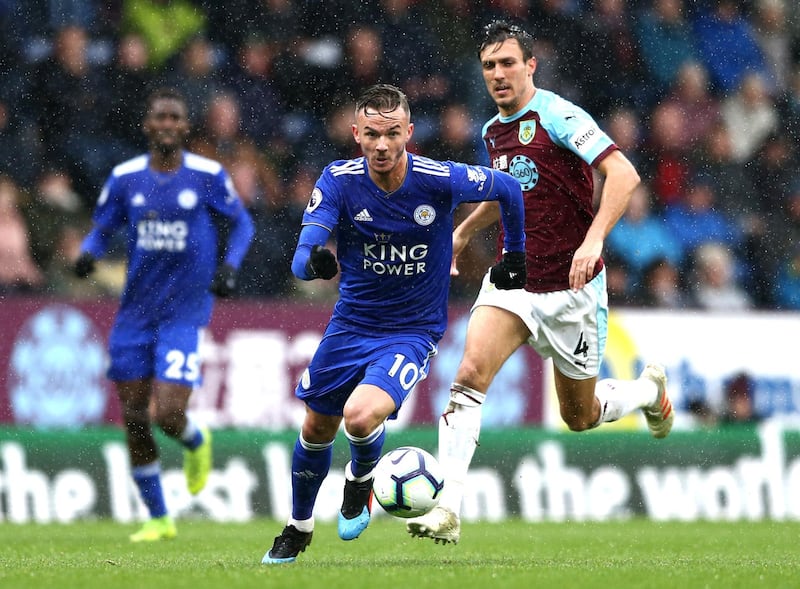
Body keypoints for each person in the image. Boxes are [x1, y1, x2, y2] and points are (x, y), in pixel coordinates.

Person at [406, 21, 674, 546]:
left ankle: (646, 391)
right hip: (516, 278)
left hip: (573, 290)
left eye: (508, 63)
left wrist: (593, 241)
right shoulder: (491, 131)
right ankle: (448, 507)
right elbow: (509, 193)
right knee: (468, 374)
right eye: (489, 66)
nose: (499, 74)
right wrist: (462, 233)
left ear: (531, 65)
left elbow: (623, 174)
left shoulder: (558, 115)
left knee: (579, 415)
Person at [261, 83, 526, 565]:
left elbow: (508, 187)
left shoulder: (438, 180)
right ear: (356, 133)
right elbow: (302, 256)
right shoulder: (339, 180)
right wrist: (315, 263)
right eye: (372, 135)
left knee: (360, 416)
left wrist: (516, 255)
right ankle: (298, 528)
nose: (382, 146)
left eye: (391, 134)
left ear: (408, 132)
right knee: (318, 426)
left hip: (411, 330)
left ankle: (360, 481)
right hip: (351, 325)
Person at [73, 87, 254, 542]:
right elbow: (102, 230)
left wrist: (230, 267)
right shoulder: (126, 178)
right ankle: (158, 517)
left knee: (169, 415)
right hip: (135, 314)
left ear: (185, 126)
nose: (168, 124)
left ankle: (195, 440)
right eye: (160, 117)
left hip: (183, 314)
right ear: (147, 125)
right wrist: (87, 254)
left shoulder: (208, 175)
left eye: (176, 117)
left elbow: (244, 223)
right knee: (134, 415)